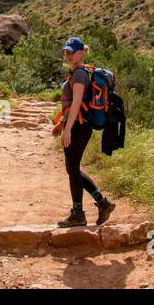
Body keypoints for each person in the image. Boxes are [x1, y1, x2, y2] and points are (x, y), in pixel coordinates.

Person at [52, 36, 116, 227]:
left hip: (79, 127)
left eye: (73, 52)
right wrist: (61, 124)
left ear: (82, 52)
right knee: (73, 168)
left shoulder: (80, 73)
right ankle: (101, 203)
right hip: (78, 125)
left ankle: (79, 213)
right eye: (67, 52)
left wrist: (67, 129)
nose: (69, 55)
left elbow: (77, 103)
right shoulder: (77, 72)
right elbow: (72, 105)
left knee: (72, 168)